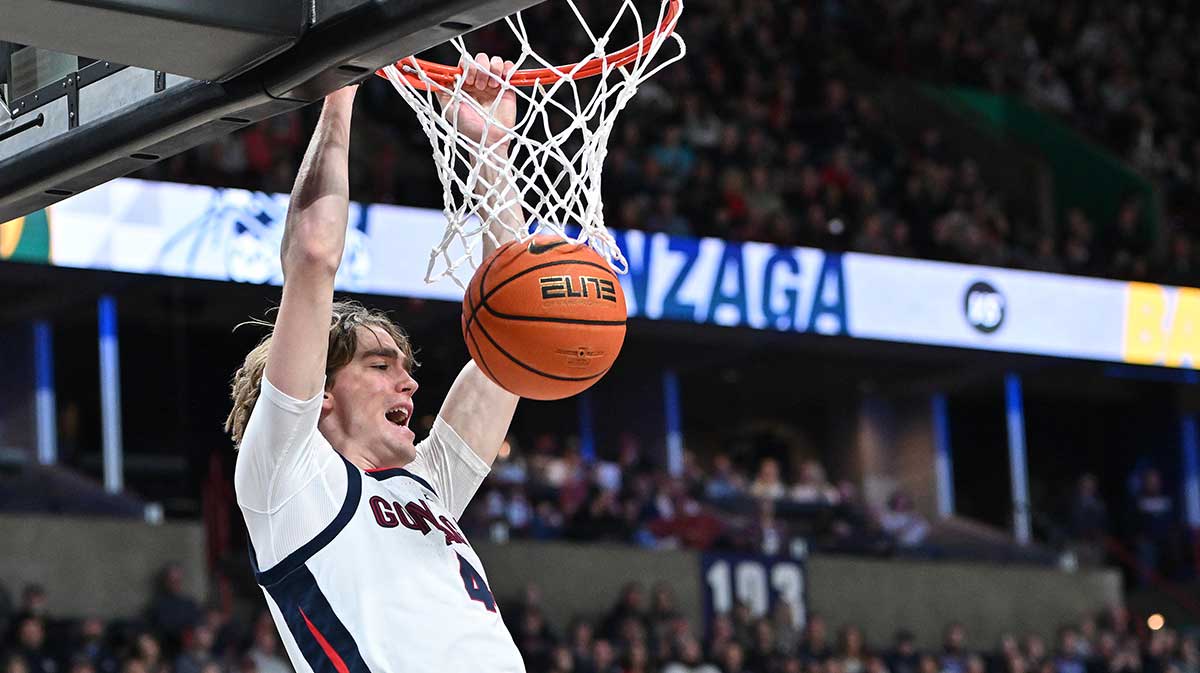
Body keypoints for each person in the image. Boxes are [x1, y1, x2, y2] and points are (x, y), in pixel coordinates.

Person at [225, 54, 527, 672]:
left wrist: (492, 150)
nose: (409, 381)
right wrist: (338, 90)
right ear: (323, 392)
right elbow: (313, 255)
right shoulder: (290, 483)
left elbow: (516, 333)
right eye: (380, 365)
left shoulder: (427, 482)